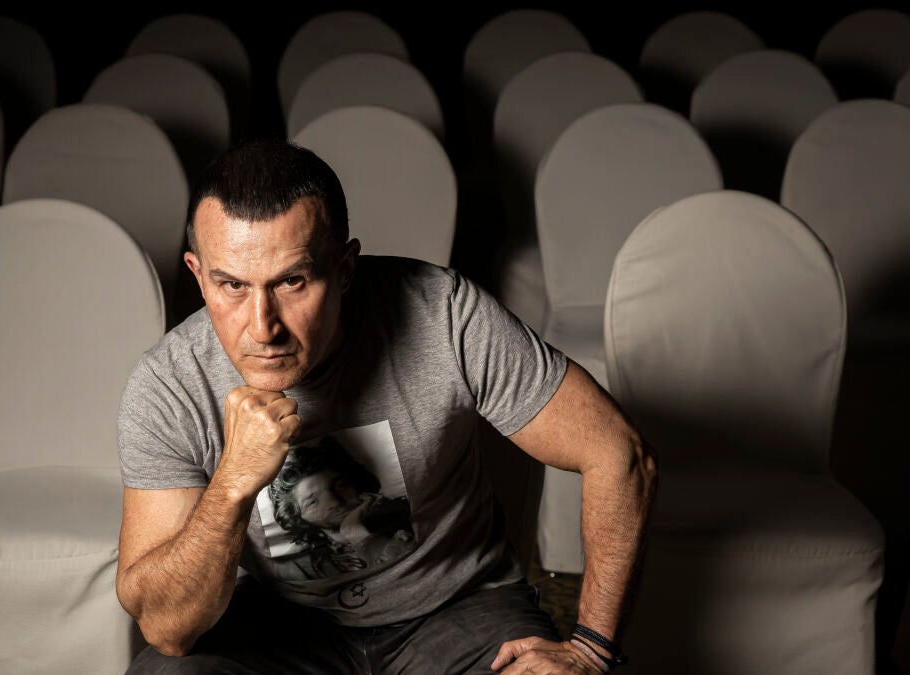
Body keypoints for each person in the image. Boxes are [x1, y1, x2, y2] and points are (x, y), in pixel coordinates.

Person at [115, 140, 658, 674]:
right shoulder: (171, 383)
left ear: (345, 268)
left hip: (460, 608)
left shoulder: (444, 314)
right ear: (198, 275)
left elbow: (619, 454)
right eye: (231, 285)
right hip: (281, 624)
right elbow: (167, 630)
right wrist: (232, 484)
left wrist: (591, 648)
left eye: (293, 281)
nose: (262, 327)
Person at [268, 436, 415, 580]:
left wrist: (356, 533)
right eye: (312, 502)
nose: (334, 502)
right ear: (297, 517)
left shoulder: (408, 515)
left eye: (341, 486)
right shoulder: (296, 565)